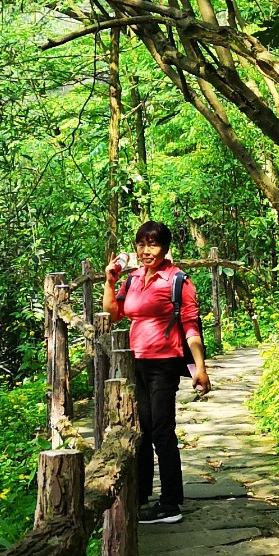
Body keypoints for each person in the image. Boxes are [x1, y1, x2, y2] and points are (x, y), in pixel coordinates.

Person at [103, 221, 210, 524]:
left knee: (162, 431)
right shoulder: (134, 278)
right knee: (143, 430)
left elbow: (190, 324)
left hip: (164, 363)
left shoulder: (178, 281)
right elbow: (114, 314)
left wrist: (200, 367)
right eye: (141, 244)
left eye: (153, 244)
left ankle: (171, 503)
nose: (146, 250)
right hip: (136, 362)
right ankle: (140, 495)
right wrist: (110, 282)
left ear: (165, 248)